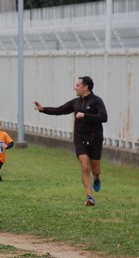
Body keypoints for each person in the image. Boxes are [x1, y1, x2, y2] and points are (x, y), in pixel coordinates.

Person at [33, 76, 108, 206]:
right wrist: (43, 109)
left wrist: (85, 115)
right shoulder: (76, 103)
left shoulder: (97, 101)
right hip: (80, 138)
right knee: (85, 166)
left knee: (95, 168)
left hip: (95, 138)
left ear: (86, 87)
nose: (75, 87)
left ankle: (96, 177)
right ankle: (90, 197)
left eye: (78, 85)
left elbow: (104, 117)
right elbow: (59, 110)